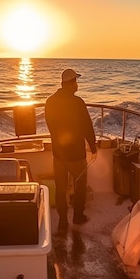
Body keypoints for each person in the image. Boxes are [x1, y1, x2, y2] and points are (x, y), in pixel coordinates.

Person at [44, 68, 97, 231]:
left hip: (58, 155)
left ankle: (62, 221)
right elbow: (87, 126)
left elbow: (50, 126)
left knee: (60, 188)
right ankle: (78, 217)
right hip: (76, 156)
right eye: (76, 81)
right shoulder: (77, 102)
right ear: (71, 83)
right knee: (79, 186)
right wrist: (93, 147)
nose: (77, 85)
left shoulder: (50, 101)